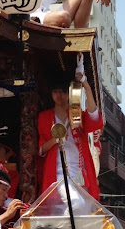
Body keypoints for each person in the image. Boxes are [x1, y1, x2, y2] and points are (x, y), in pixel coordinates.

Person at [37, 59, 103, 201]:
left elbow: (94, 116)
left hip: (79, 170)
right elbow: (41, 149)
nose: (59, 95)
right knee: (74, 204)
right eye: (55, 91)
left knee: (82, 208)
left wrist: (85, 84)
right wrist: (56, 140)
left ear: (69, 93)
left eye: (63, 91)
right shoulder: (44, 117)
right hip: (57, 171)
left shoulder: (77, 113)